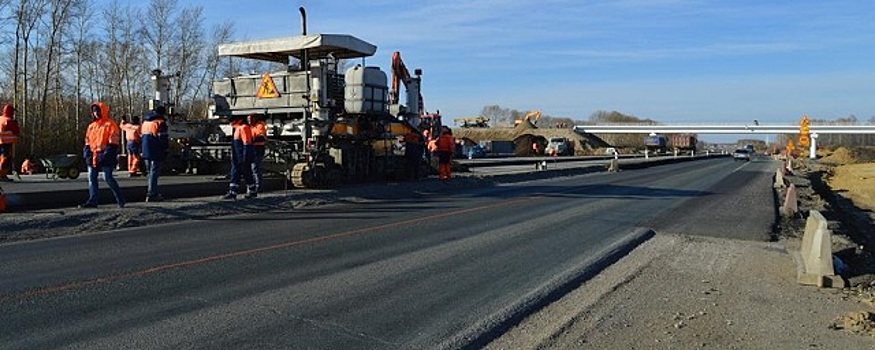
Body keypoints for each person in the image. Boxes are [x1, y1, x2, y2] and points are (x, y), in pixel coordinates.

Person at [79, 102, 125, 208]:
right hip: (93, 155)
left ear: (102, 111)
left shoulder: (110, 124)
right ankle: (93, 201)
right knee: (92, 178)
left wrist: (105, 155)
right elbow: (87, 142)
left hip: (105, 155)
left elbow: (113, 143)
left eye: (97, 111)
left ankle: (120, 199)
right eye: (94, 111)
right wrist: (87, 154)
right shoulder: (91, 126)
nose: (96, 113)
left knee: (107, 177)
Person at [222, 115, 257, 200]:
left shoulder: (243, 128)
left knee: (241, 172)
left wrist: (245, 156)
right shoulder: (237, 128)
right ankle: (248, 190)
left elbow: (247, 143)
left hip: (241, 156)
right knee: (242, 172)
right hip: (238, 155)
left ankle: (234, 191)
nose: (230, 123)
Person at [141, 106, 169, 202]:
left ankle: (152, 191)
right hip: (156, 150)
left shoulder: (145, 122)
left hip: (145, 150)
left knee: (150, 173)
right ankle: (152, 193)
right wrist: (165, 149)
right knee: (154, 173)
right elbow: (163, 138)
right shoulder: (160, 123)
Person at [0, 104, 21, 181]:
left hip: (1, 142)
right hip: (6, 143)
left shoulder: (1, 119)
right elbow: (16, 131)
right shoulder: (9, 121)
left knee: (1, 159)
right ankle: (2, 175)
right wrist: (16, 124)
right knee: (5, 159)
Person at [248, 113, 267, 193]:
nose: (249, 121)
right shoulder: (251, 127)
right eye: (248, 119)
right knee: (252, 168)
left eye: (250, 119)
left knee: (255, 168)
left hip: (258, 149)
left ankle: (258, 186)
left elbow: (261, 137)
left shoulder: (260, 126)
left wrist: (250, 140)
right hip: (252, 148)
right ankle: (253, 186)